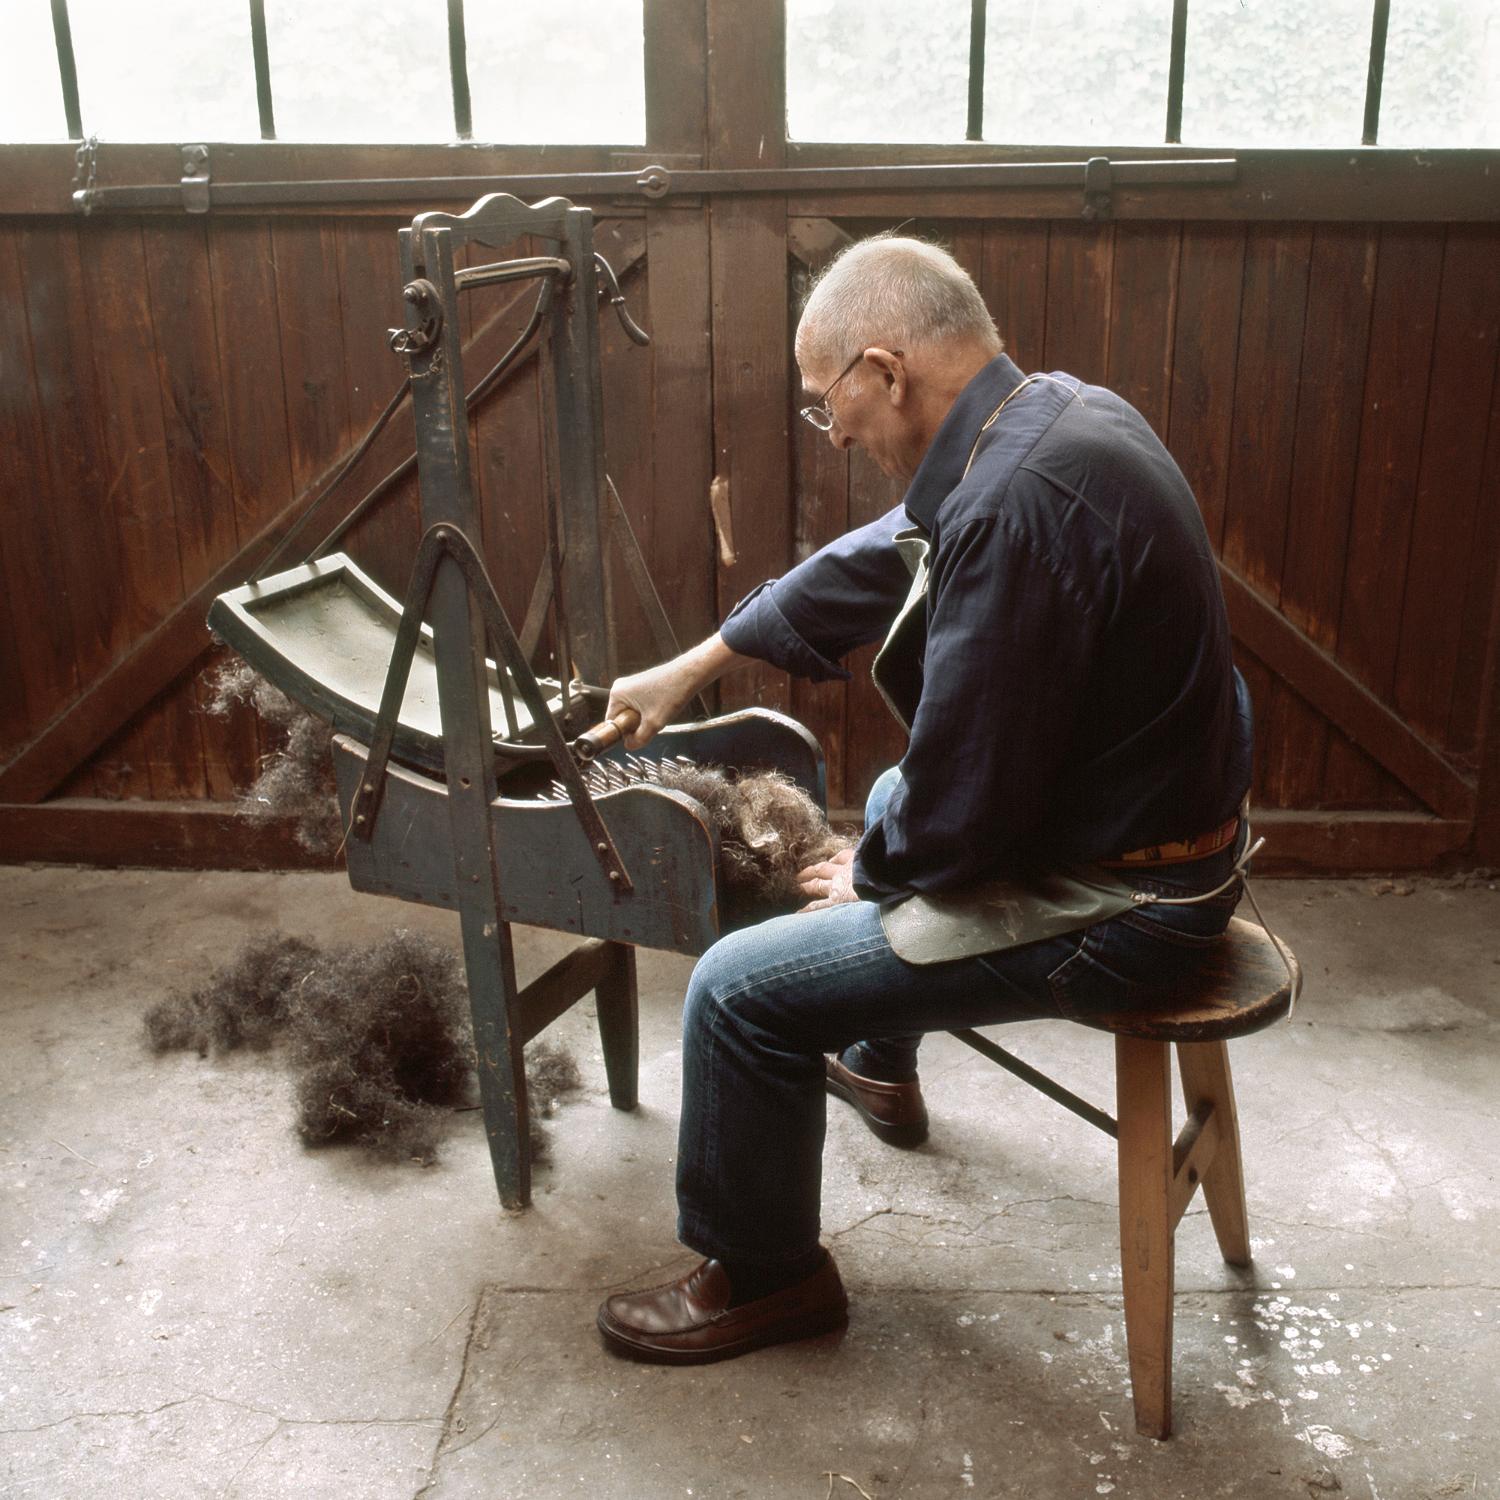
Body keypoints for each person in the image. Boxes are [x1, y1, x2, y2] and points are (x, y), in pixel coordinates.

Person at [594, 236, 1254, 1365]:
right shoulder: (1051, 416)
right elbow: (879, 555)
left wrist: (875, 870)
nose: (835, 434)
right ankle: (881, 1061)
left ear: (884, 370)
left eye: (827, 405)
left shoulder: (1013, 508)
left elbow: (962, 814)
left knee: (737, 988)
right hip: (1171, 833)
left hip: (1129, 909)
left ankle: (765, 1275)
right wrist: (699, 661)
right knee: (894, 806)